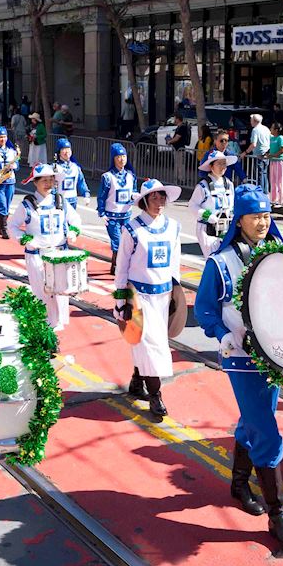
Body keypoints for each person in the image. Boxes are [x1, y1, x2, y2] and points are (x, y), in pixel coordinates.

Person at [194, 184, 283, 547]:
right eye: (255, 216)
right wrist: (222, 334)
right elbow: (204, 309)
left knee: (254, 419)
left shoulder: (280, 255)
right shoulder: (221, 262)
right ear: (239, 220)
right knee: (266, 429)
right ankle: (277, 513)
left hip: (274, 353)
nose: (262, 222)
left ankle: (239, 484)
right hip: (241, 355)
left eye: (267, 215)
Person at [112, 178, 183, 419]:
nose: (159, 200)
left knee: (143, 342)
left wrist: (176, 295)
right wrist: (121, 301)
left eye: (162, 196)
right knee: (152, 347)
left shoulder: (173, 227)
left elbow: (174, 264)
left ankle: (136, 380)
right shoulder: (132, 229)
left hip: (163, 296)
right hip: (139, 298)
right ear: (144, 201)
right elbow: (122, 267)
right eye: (154, 196)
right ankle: (155, 395)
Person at [6, 164, 82, 331]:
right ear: (35, 182)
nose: (48, 184)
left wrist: (73, 231)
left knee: (61, 290)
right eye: (44, 181)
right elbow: (12, 226)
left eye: (51, 180)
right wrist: (24, 239)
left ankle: (58, 322)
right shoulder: (27, 205)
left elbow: (75, 219)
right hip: (37, 254)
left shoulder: (60, 201)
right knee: (43, 291)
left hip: (59, 253)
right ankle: (45, 324)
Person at [189, 149, 237, 257]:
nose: (223, 167)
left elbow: (233, 205)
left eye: (224, 164)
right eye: (219, 164)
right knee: (213, 258)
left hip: (226, 228)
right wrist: (207, 216)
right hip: (208, 230)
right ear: (211, 166)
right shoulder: (203, 185)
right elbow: (192, 205)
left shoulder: (229, 184)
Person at [97, 143, 137, 273]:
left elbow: (134, 192)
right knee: (117, 242)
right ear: (113, 159)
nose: (121, 159)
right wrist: (101, 213)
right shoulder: (107, 177)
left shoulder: (131, 175)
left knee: (126, 244)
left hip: (126, 216)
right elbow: (101, 196)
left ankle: (115, 267)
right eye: (118, 157)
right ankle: (118, 268)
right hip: (112, 216)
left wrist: (137, 197)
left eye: (124, 156)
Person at [0, 127, 20, 238]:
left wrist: (15, 166)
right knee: (2, 204)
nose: (3, 139)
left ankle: (0, 224)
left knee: (7, 204)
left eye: (4, 137)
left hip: (10, 181)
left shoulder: (12, 151)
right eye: (0, 137)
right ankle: (4, 228)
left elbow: (17, 166)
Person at [53, 137, 90, 212]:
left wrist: (86, 194)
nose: (67, 152)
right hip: (60, 201)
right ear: (59, 152)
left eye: (68, 149)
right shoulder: (55, 167)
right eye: (63, 149)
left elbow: (81, 182)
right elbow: (52, 185)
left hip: (73, 200)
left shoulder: (75, 167)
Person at [246, 115, 272, 194]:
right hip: (266, 153)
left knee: (259, 174)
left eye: (251, 120)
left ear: (254, 121)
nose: (250, 122)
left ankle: (260, 193)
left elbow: (254, 144)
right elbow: (271, 139)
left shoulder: (255, 130)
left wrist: (246, 152)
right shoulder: (266, 128)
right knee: (264, 173)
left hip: (258, 155)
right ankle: (265, 192)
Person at [268, 123, 283, 207]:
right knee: (272, 180)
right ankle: (273, 199)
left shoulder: (281, 138)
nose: (270, 129)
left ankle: (281, 200)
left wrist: (273, 155)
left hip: (280, 161)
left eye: (272, 128)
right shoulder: (272, 138)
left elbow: (282, 150)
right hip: (272, 161)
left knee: (279, 181)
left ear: (276, 130)